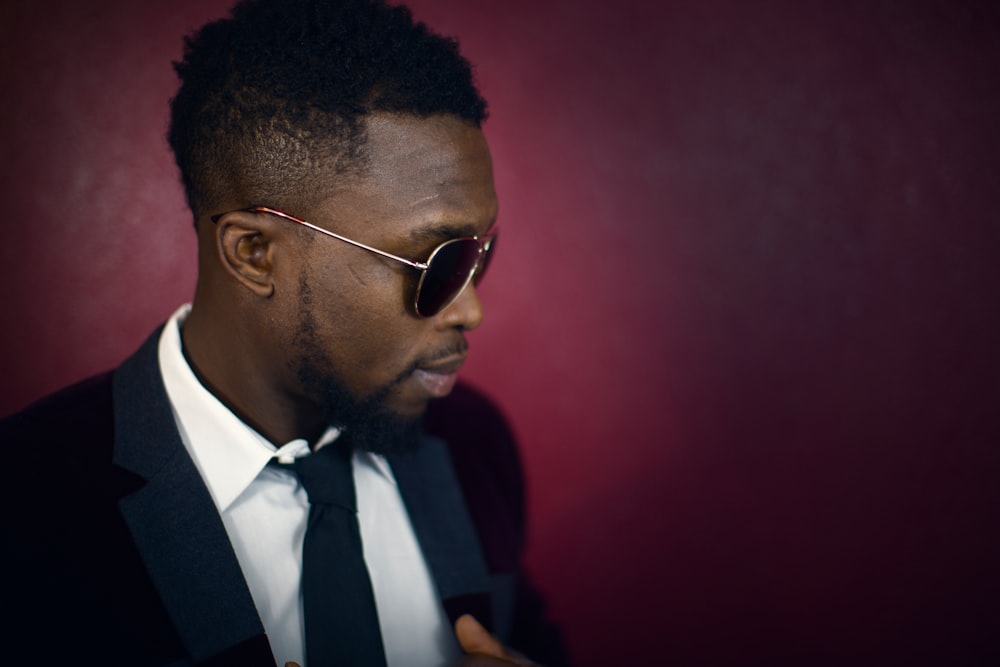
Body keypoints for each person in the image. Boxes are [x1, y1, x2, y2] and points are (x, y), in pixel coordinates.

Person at [0, 0, 568, 665]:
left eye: (477, 254)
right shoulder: (26, 503)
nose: (470, 310)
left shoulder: (471, 443)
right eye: (437, 264)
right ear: (254, 254)